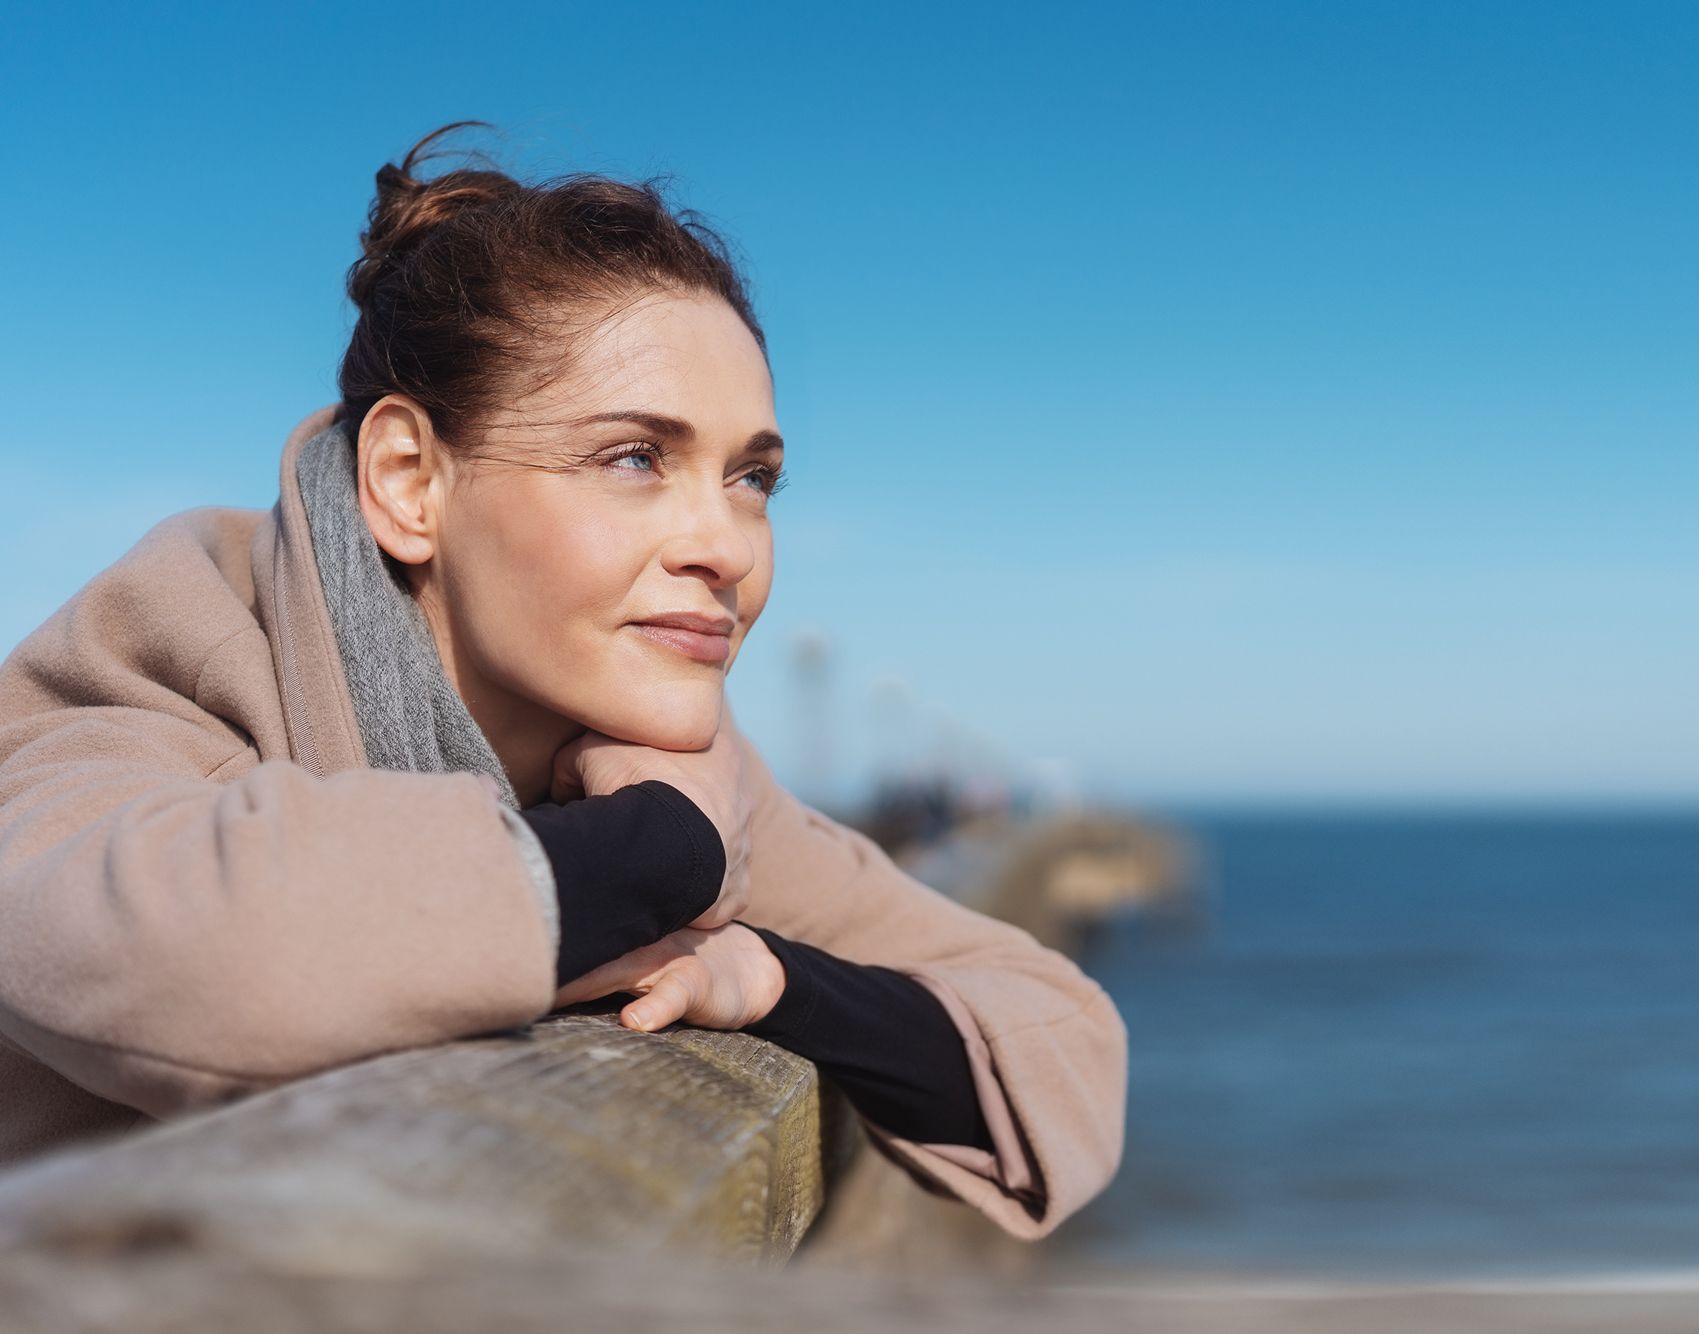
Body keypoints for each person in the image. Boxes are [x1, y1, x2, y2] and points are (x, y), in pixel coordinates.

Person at [0, 122, 1125, 1241]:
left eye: (751, 477)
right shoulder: (168, 648)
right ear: (408, 482)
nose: (726, 546)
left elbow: (1059, 1035)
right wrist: (659, 854)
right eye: (634, 457)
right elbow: (165, 947)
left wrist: (776, 979)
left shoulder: (666, 759)